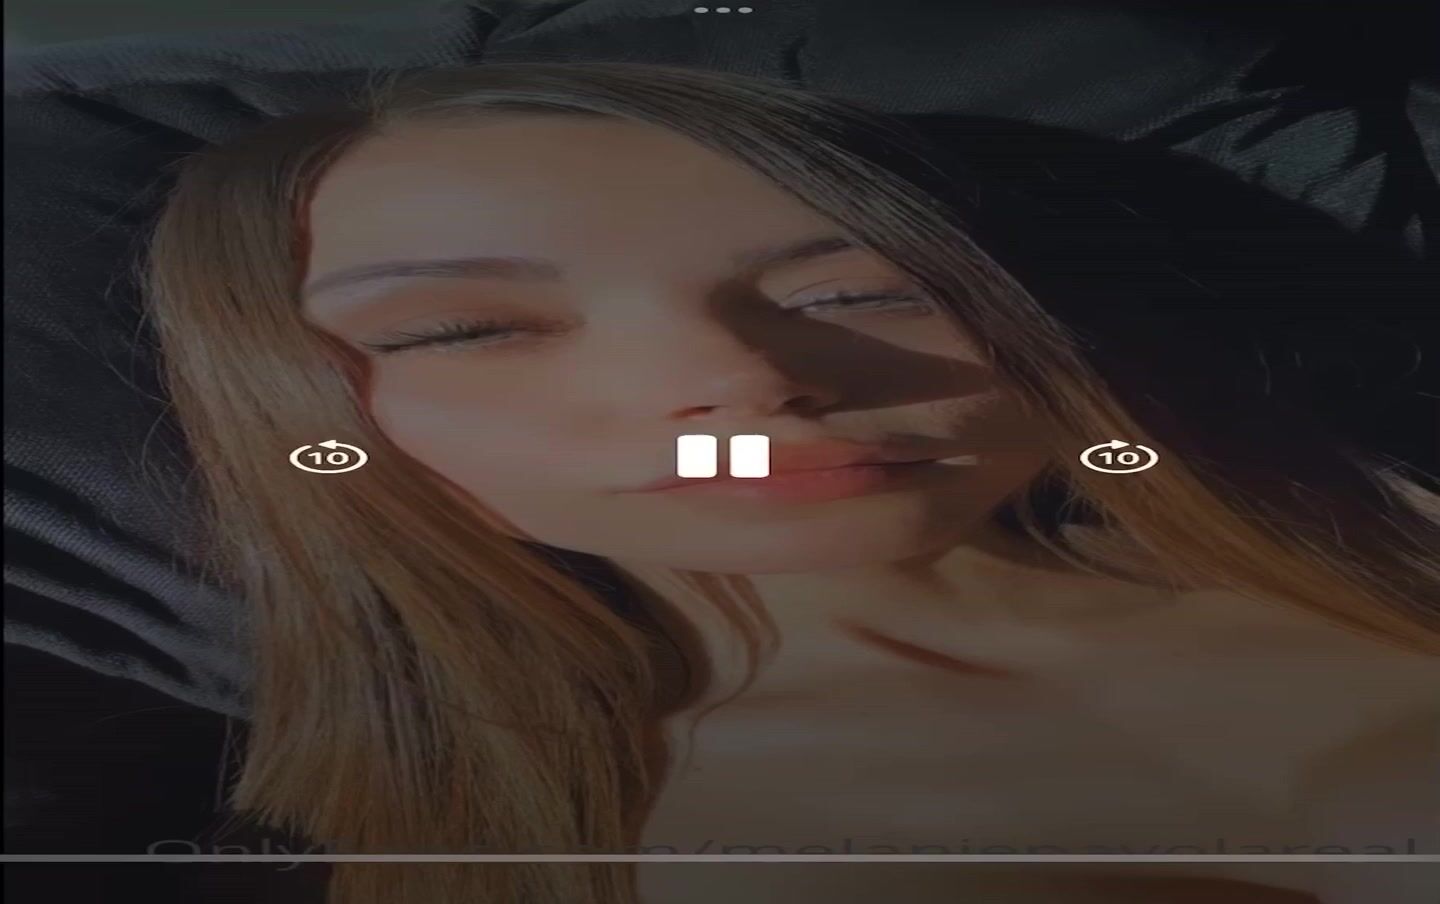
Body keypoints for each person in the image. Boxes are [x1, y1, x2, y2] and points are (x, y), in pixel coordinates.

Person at [141, 61, 1440, 903]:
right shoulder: (536, 849)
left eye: (860, 292)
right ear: (292, 412)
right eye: (467, 328)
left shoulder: (1382, 515)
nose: (748, 386)